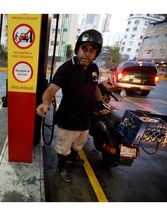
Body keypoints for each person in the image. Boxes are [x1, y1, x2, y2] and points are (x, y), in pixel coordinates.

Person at [36, 29, 110, 182]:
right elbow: (51, 90)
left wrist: (100, 102)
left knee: (80, 142)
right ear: (78, 49)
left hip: (85, 118)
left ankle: (73, 157)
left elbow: (95, 88)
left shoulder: (94, 69)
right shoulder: (66, 68)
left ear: (96, 53)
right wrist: (45, 103)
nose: (87, 54)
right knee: (64, 146)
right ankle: (61, 167)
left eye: (92, 51)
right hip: (68, 118)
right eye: (84, 49)